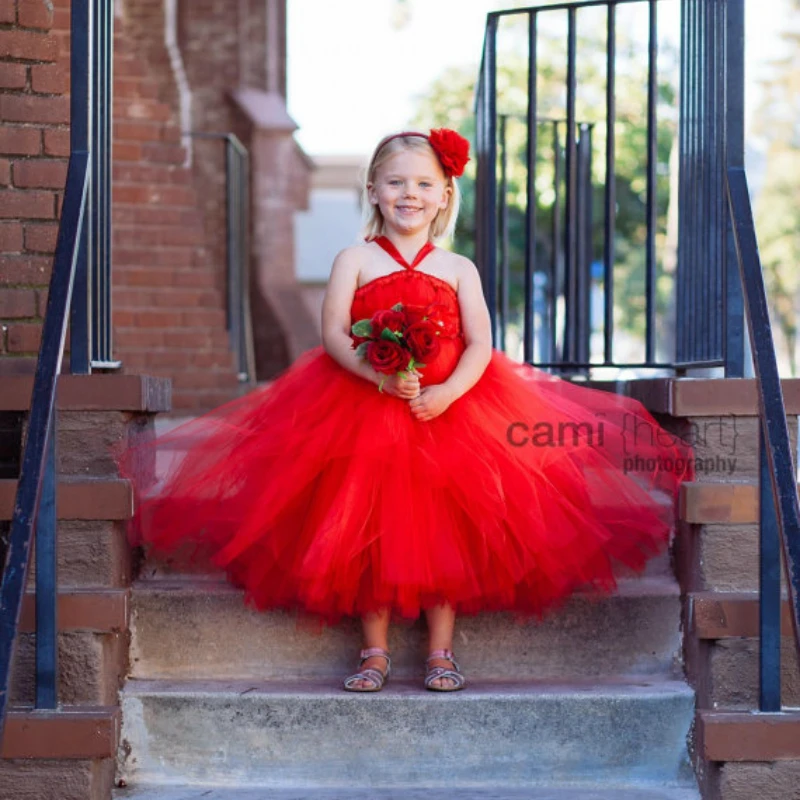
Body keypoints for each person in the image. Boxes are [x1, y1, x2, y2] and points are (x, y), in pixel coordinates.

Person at [119, 128, 692, 695]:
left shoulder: (459, 268)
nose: (409, 193)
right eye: (395, 182)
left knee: (447, 531)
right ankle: (374, 651)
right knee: (365, 532)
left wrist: (447, 393)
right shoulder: (355, 259)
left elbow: (479, 345)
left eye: (423, 183)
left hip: (449, 412)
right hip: (365, 410)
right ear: (372, 190)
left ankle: (441, 651)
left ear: (445, 194)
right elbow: (336, 335)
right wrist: (378, 376)